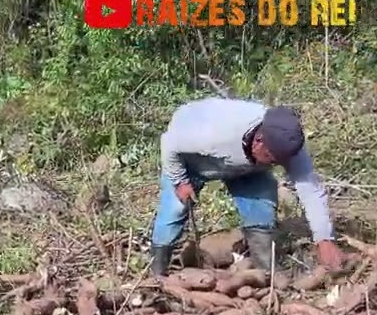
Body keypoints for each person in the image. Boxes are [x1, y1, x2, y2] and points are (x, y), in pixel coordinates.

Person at [148, 97, 345, 276]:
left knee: (260, 207)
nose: (276, 164)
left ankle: (266, 274)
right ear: (259, 142)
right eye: (272, 159)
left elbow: (310, 190)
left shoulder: (288, 145)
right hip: (191, 159)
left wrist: (324, 239)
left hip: (244, 166)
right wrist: (180, 181)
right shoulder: (212, 133)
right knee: (174, 211)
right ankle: (157, 274)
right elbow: (169, 143)